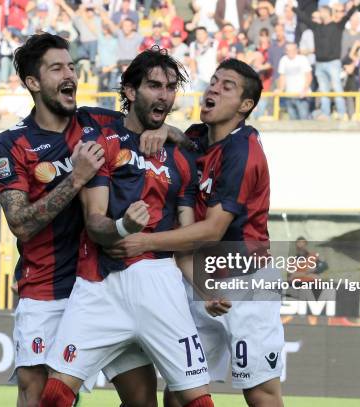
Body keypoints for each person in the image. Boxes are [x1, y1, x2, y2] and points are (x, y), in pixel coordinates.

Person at [0, 33, 170, 407]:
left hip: (106, 288)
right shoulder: (12, 144)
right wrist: (77, 177)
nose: (70, 73)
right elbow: (20, 223)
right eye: (57, 68)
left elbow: (150, 123)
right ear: (33, 83)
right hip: (46, 291)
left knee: (142, 399)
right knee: (40, 399)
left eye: (71, 66)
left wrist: (163, 129)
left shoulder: (100, 122)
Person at [40, 47, 214, 407]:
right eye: (153, 85)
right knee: (54, 395)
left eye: (169, 87)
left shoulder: (181, 158)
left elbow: (185, 241)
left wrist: (206, 290)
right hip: (100, 283)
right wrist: (124, 226)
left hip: (160, 284)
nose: (163, 95)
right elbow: (95, 223)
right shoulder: (103, 143)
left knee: (197, 401)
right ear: (131, 92)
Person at [109, 59, 285, 407]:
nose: (214, 88)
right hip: (198, 283)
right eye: (214, 81)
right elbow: (183, 140)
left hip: (245, 284)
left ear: (245, 106)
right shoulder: (194, 138)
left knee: (260, 392)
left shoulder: (244, 152)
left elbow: (213, 229)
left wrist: (145, 241)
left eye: (228, 86)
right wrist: (171, 132)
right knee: (180, 391)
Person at [294, 0, 360, 119]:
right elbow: (304, 18)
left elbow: (348, 15)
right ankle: (326, 114)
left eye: (321, 11)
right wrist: (293, 9)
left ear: (328, 13)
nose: (319, 13)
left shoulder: (337, 26)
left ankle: (341, 113)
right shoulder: (316, 27)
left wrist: (355, 5)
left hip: (333, 63)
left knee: (337, 88)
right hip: (320, 64)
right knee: (324, 91)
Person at [277, 41, 312, 119]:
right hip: (289, 96)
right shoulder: (283, 60)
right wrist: (280, 89)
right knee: (292, 122)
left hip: (302, 96)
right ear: (285, 51)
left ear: (297, 50)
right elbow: (282, 77)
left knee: (304, 120)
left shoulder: (303, 59)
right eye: (288, 50)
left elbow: (309, 76)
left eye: (292, 50)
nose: (290, 52)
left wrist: (305, 89)